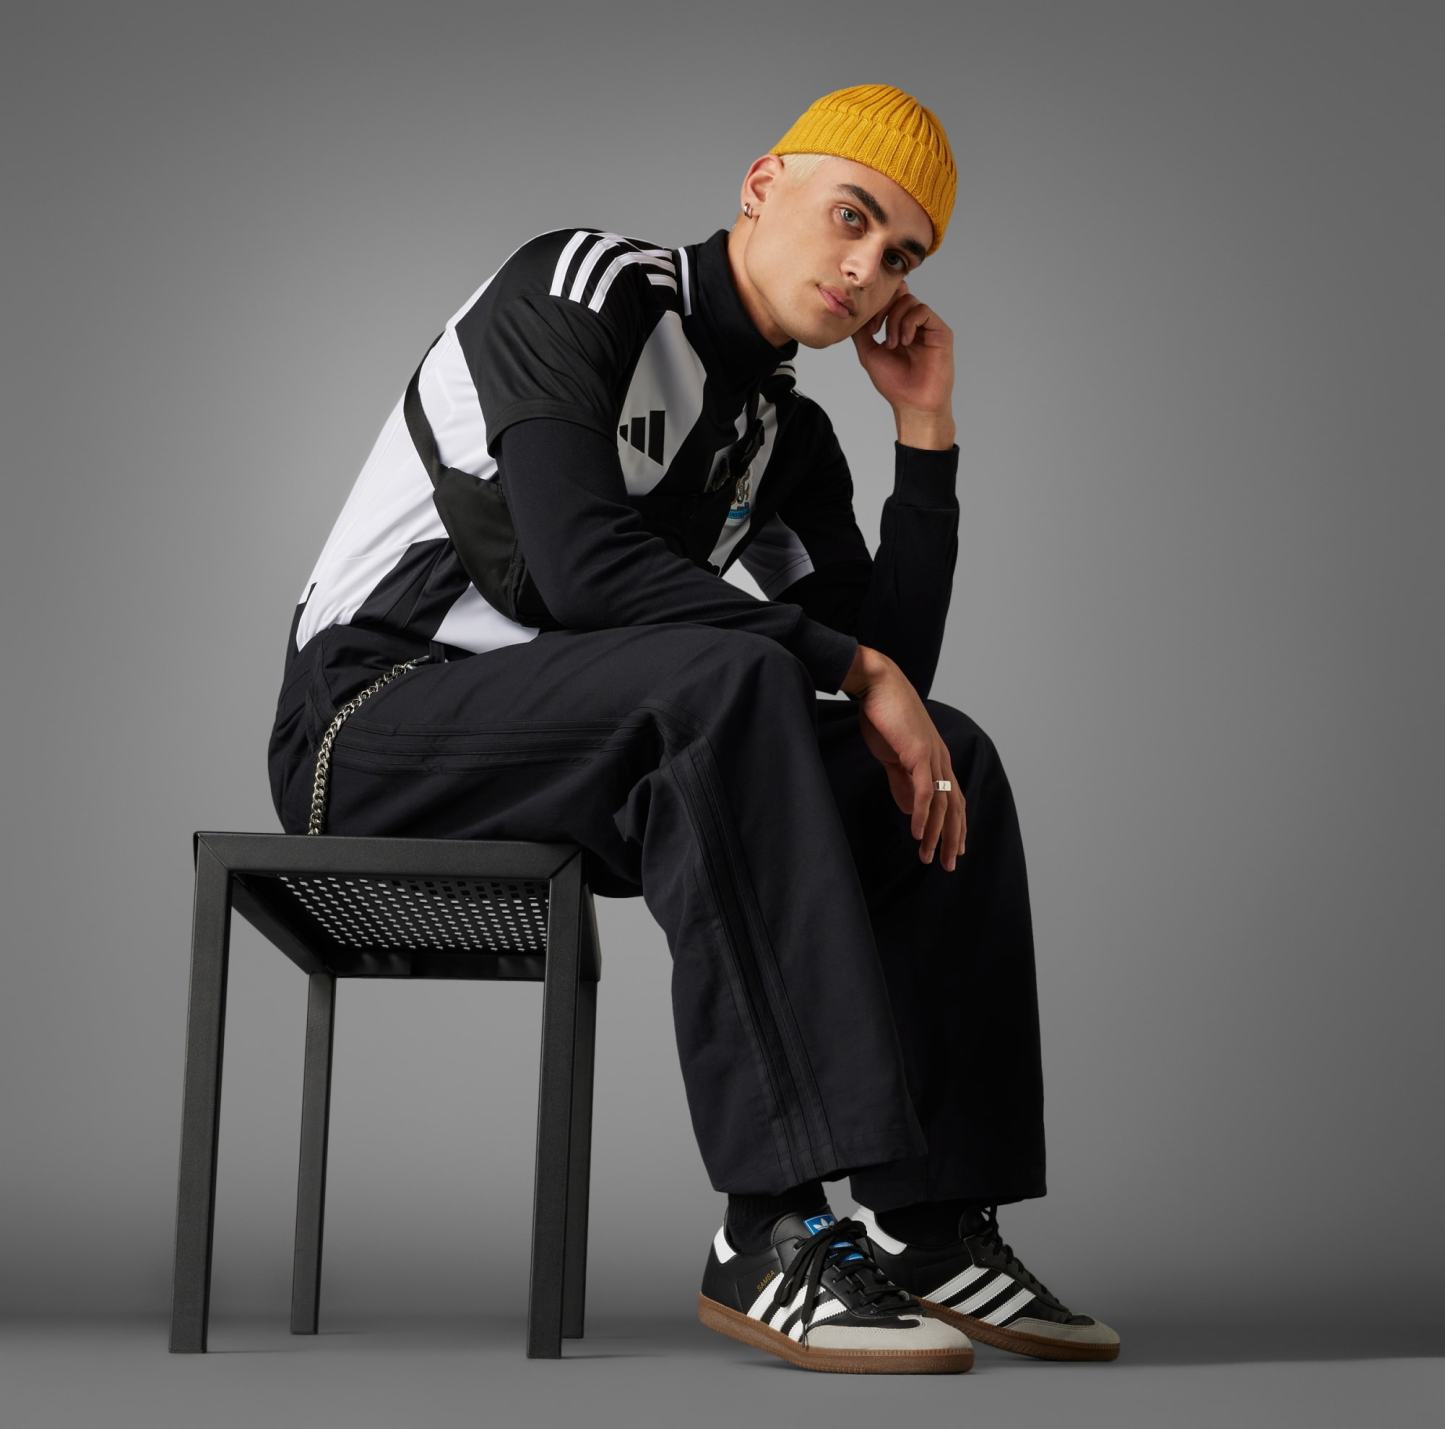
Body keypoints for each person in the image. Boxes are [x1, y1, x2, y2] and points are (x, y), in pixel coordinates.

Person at [266, 82, 1118, 1374]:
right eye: (851, 217)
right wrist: (851, 666)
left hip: (595, 746)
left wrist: (925, 434)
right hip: (374, 722)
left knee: (951, 758)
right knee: (726, 681)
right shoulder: (581, 288)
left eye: (901, 257)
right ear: (762, 184)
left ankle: (931, 1220)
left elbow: (889, 686)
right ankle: (768, 1225)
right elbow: (573, 568)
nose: (867, 271)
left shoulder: (785, 434)